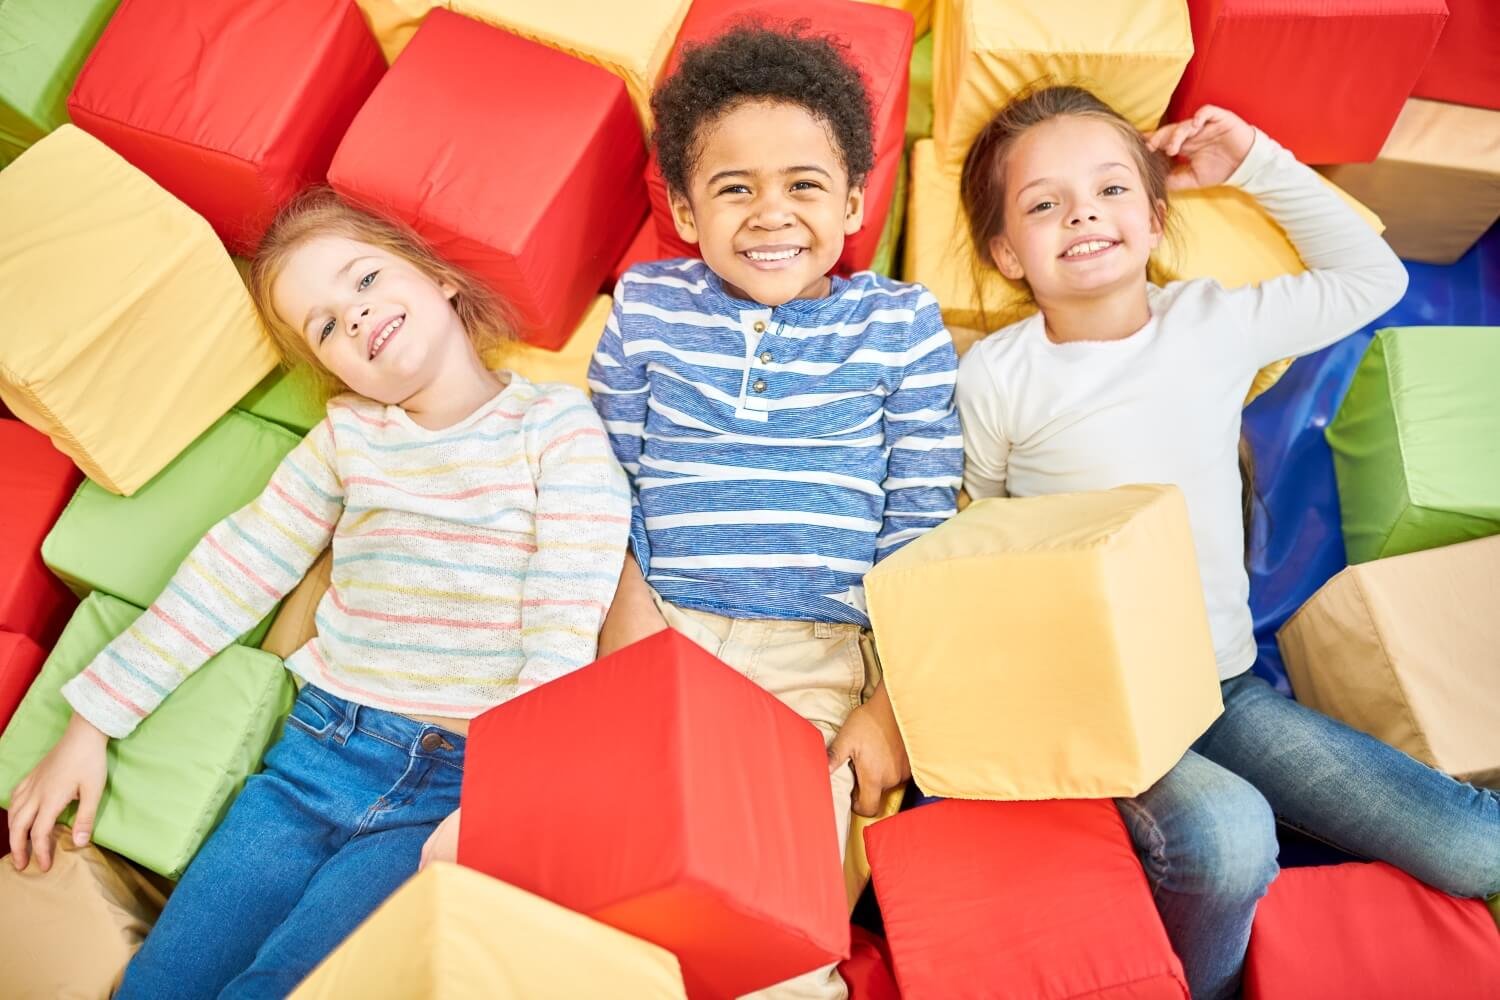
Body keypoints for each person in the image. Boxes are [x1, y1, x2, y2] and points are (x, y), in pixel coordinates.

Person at [5, 190, 631, 998]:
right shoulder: (347, 440)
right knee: (162, 982)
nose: (356, 317)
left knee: (283, 987)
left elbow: (563, 623)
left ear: (438, 278)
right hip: (315, 755)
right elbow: (235, 570)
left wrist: (509, 800)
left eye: (365, 280)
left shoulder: (554, 425)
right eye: (327, 326)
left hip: (457, 785)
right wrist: (91, 721)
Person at [954, 86, 1500, 999]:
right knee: (1232, 838)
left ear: (1156, 217)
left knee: (1473, 842)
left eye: (1109, 188)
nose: (1081, 211)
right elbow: (976, 534)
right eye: (1043, 203)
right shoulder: (1000, 376)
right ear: (1008, 252)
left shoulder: (1208, 323)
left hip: (1223, 684)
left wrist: (1253, 164)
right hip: (1097, 705)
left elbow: (1376, 280)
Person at [590, 24, 962, 1000]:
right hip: (655, 632)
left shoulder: (900, 323)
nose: (771, 214)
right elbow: (597, 474)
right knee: (612, 904)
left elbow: (923, 522)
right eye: (734, 187)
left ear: (850, 202)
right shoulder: (648, 305)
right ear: (683, 208)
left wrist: (895, 702)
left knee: (773, 939)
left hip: (815, 653)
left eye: (802, 185)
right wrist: (625, 612)